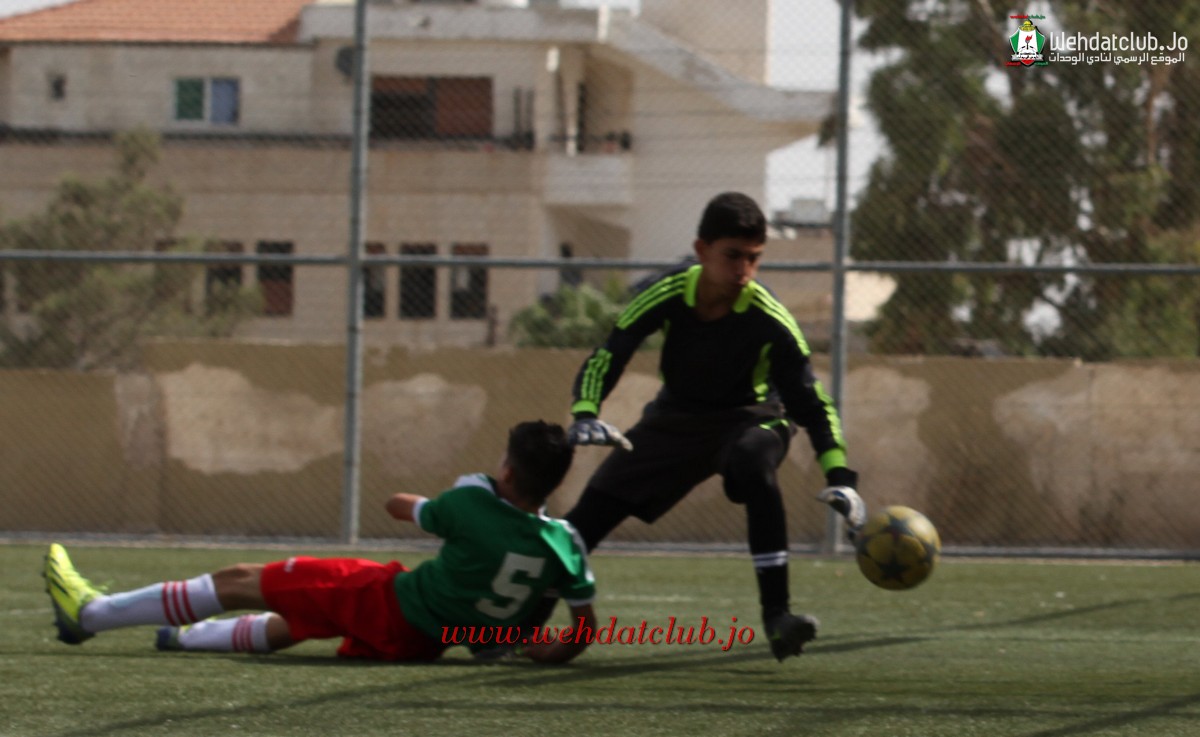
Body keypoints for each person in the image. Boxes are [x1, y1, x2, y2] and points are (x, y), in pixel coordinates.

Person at [549, 191, 865, 662]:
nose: (743, 270)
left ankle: (778, 617)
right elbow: (612, 351)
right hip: (674, 419)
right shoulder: (667, 291)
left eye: (754, 258)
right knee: (578, 527)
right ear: (702, 250)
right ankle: (512, 628)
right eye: (733, 256)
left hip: (753, 418)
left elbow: (811, 401)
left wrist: (841, 478)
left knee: (752, 461)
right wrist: (585, 413)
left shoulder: (769, 318)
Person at [43, 420, 597, 664]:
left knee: (243, 580)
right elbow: (584, 629)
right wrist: (546, 652)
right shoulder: (565, 541)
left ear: (507, 471)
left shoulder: (475, 501)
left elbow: (398, 505)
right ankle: (183, 639)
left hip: (389, 602)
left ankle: (89, 614)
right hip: (422, 643)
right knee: (300, 621)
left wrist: (459, 492)